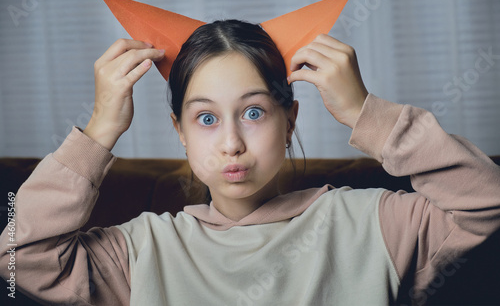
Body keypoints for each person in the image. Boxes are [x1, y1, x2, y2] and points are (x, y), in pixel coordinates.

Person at [1, 19, 499, 306]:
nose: (232, 143)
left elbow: (488, 201)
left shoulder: (378, 223)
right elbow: (13, 259)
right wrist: (98, 131)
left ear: (290, 121)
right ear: (180, 131)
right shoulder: (140, 251)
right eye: (206, 119)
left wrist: (366, 113)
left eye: (255, 112)